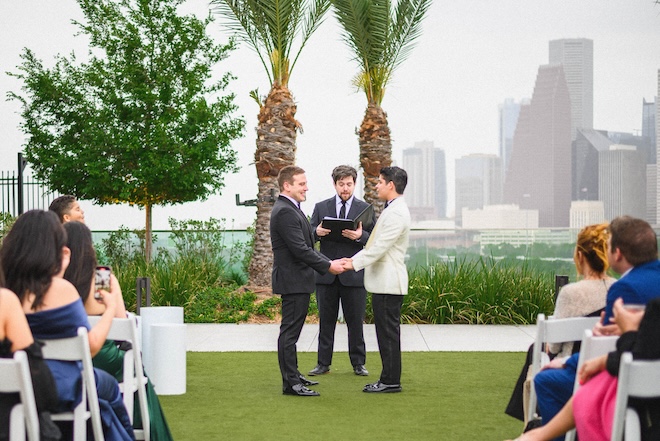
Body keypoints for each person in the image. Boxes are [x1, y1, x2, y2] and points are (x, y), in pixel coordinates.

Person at [0, 209, 135, 440]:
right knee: (109, 387)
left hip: (11, 384)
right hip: (57, 383)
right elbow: (91, 347)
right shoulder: (60, 289)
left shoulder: (7, 289)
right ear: (52, 249)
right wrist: (111, 307)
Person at [531, 216, 660, 438]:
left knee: (546, 380)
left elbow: (611, 348)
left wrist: (568, 362)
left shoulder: (625, 288)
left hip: (632, 377)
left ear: (617, 253)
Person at [63, 221, 173, 440]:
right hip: (103, 354)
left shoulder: (55, 280)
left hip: (71, 357)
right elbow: (122, 323)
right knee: (137, 370)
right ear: (89, 247)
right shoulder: (101, 278)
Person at [506, 296, 660, 441]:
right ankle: (538, 434)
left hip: (598, 379)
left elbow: (552, 347)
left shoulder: (620, 292)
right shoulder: (617, 287)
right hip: (596, 367)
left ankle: (538, 433)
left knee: (545, 375)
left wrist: (629, 333)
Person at [505, 223, 614, 421]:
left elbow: (553, 347)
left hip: (573, 368)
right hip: (608, 368)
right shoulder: (618, 289)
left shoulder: (571, 293)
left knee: (535, 350)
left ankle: (530, 420)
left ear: (580, 256)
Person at [270, 165, 345, 397]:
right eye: (301, 184)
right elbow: (300, 250)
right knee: (290, 333)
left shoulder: (291, 208)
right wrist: (329, 265)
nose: (306, 187)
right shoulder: (284, 211)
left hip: (298, 280)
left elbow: (305, 243)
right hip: (292, 281)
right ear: (287, 186)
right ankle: (291, 383)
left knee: (293, 331)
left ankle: (293, 375)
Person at [342, 166, 410, 393]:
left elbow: (379, 247)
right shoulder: (392, 209)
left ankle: (390, 381)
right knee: (385, 333)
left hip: (389, 283)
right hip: (384, 282)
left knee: (388, 334)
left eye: (380, 182)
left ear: (391, 184)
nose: (376, 185)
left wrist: (352, 263)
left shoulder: (397, 212)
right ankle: (388, 378)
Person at [308, 165, 375, 377]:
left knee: (355, 322)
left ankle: (358, 363)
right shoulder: (321, 207)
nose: (345, 188)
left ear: (354, 184)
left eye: (349, 184)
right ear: (335, 184)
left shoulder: (365, 209)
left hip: (353, 275)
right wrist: (316, 232)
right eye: (341, 184)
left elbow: (374, 240)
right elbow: (307, 235)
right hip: (326, 274)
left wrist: (360, 238)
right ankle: (323, 364)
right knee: (325, 322)